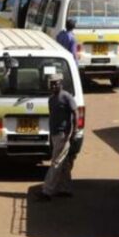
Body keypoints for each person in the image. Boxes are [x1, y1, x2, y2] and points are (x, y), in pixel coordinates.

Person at [37, 73, 79, 201]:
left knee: (56, 162)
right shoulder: (51, 99)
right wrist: (50, 137)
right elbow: (52, 118)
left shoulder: (66, 97)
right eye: (51, 84)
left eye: (56, 83)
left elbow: (75, 113)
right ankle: (65, 189)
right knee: (63, 163)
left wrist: (74, 132)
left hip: (63, 135)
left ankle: (47, 190)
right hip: (55, 135)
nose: (54, 86)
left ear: (61, 83)